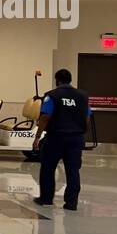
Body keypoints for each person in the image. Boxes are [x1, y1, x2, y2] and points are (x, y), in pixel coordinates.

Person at [32, 68, 91, 211]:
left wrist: (38, 137)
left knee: (48, 168)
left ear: (57, 80)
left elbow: (45, 116)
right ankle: (71, 203)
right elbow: (87, 117)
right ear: (70, 80)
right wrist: (81, 132)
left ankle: (46, 199)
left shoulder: (52, 95)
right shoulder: (83, 96)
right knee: (73, 171)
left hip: (56, 137)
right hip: (76, 138)